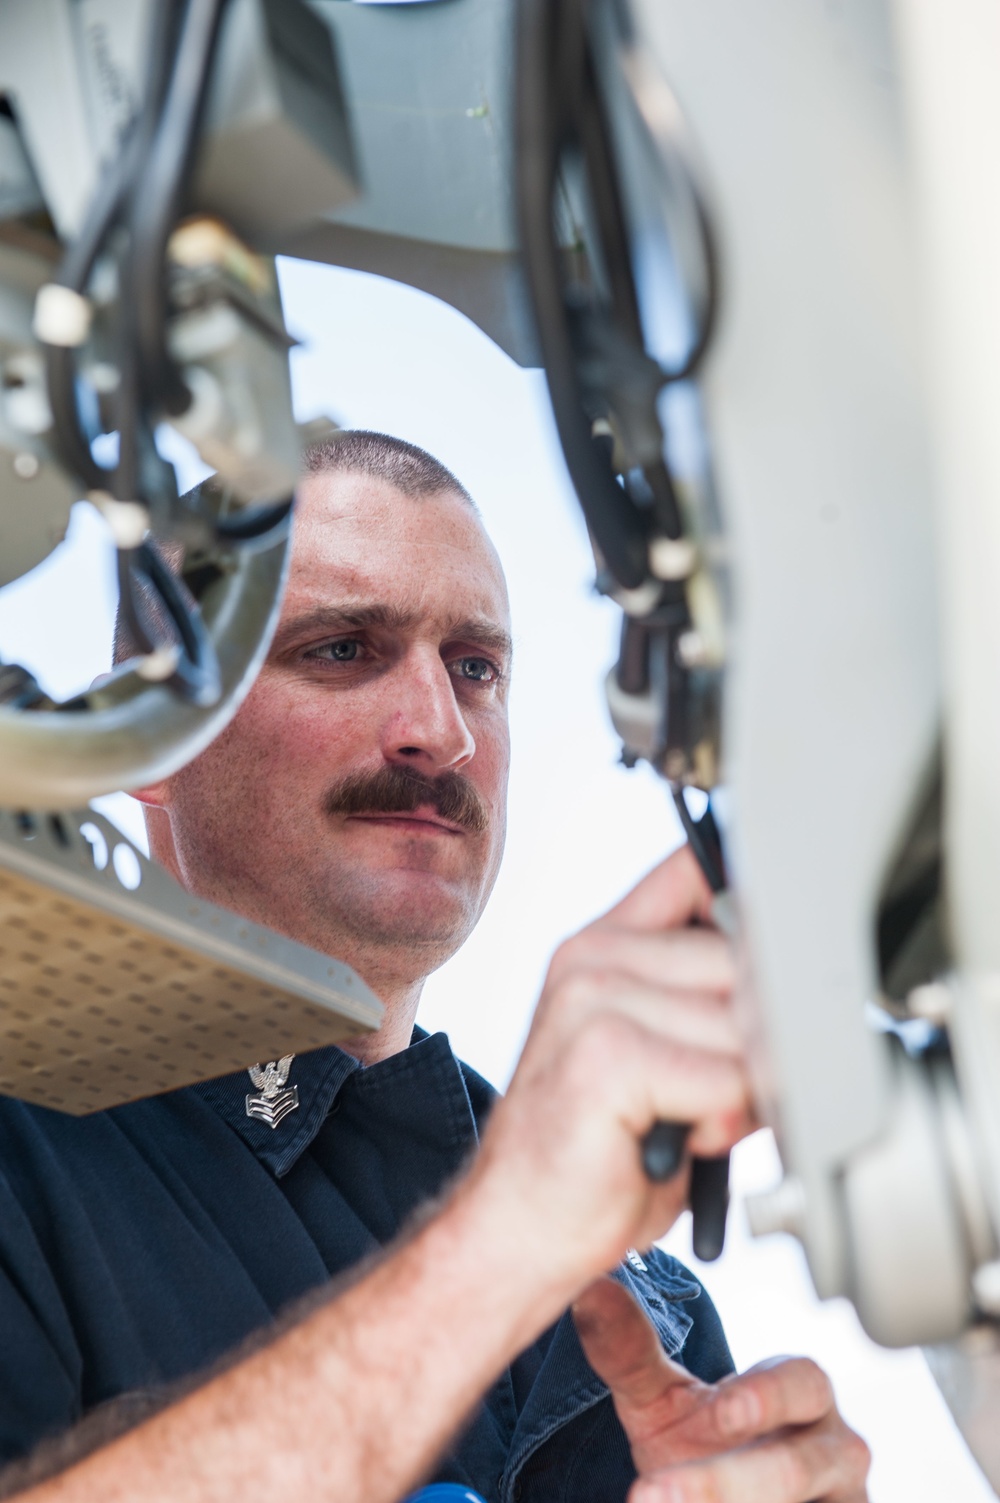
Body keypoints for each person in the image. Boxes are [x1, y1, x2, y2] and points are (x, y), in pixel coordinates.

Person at [0, 433, 870, 1503]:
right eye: (342, 650)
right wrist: (494, 1253)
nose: (439, 731)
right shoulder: (20, 1154)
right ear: (147, 740)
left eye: (474, 668)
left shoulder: (647, 1311)